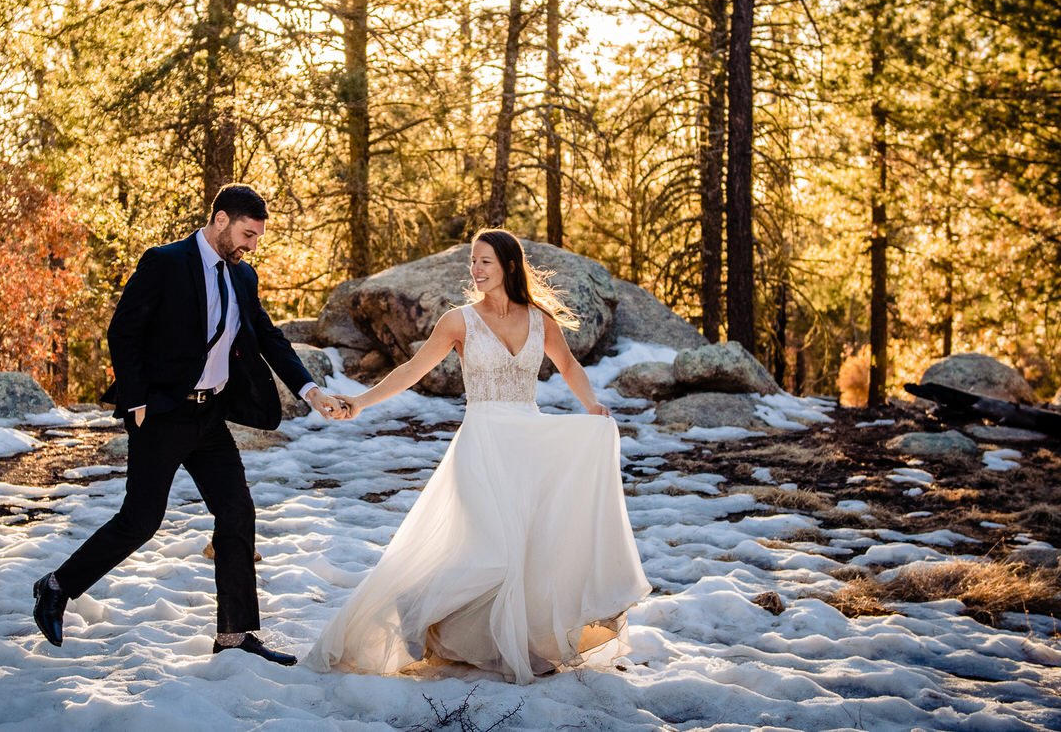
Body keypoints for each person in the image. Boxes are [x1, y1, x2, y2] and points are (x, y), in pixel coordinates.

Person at [307, 229, 651, 685]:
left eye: (485, 261)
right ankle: (411, 610)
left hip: (527, 443)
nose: (476, 269)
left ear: (509, 266)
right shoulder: (459, 321)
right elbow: (413, 370)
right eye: (473, 261)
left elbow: (568, 365)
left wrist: (591, 407)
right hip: (482, 443)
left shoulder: (538, 319)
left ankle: (514, 643)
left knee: (523, 551)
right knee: (488, 550)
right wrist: (361, 402)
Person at [32, 184, 344, 665]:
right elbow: (124, 330)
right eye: (246, 234)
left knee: (237, 512)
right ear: (220, 220)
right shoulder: (165, 262)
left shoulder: (244, 276)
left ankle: (235, 637)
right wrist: (135, 399)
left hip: (210, 415)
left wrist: (311, 390)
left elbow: (267, 337)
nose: (251, 246)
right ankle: (55, 588)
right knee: (141, 521)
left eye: (257, 238)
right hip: (161, 414)